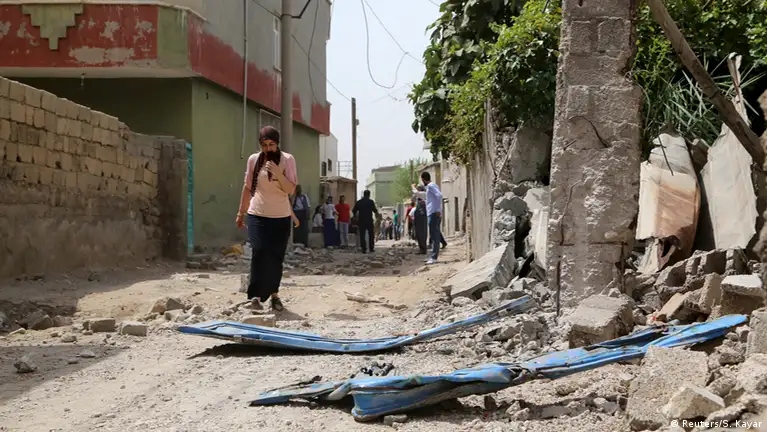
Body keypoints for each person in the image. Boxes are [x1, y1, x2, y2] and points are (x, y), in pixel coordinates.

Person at [236, 125, 296, 311]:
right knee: (259, 252)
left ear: (277, 144)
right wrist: (241, 213)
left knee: (275, 257)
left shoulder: (287, 160)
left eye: (271, 144)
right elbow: (248, 187)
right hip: (258, 214)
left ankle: (274, 295)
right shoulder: (254, 160)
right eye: (264, 145)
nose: (268, 148)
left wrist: (278, 174)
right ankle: (254, 297)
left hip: (280, 216)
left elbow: (290, 189)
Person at [422, 171, 444, 265]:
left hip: (434, 213)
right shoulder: (431, 186)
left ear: (423, 179)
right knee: (434, 235)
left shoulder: (431, 186)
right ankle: (433, 256)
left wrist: (438, 209)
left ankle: (434, 257)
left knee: (434, 236)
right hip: (433, 212)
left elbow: (439, 195)